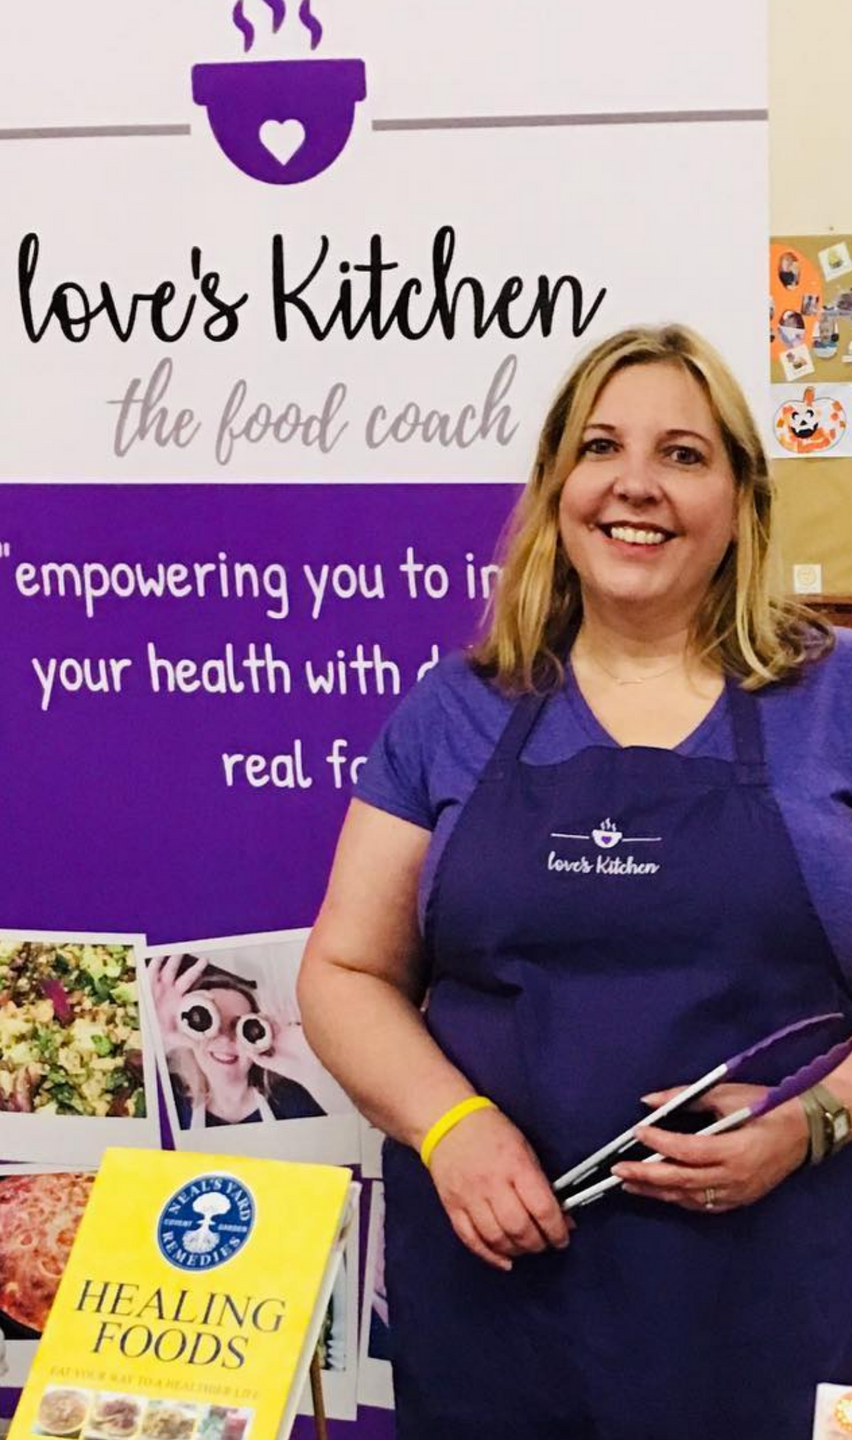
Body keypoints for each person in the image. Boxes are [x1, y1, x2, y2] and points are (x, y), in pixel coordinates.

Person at [298, 325, 852, 1440]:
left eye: (683, 454)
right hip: (501, 1300)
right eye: (601, 447)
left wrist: (819, 1120)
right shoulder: (456, 711)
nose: (635, 484)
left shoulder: (833, 702)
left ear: (742, 500)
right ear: (558, 488)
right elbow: (345, 971)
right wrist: (452, 1127)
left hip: (783, 1290)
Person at [149, 953, 325, 1127]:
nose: (225, 1039)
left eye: (241, 1027)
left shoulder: (292, 1099)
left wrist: (309, 1069)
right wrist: (155, 1035)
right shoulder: (168, 1097)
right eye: (207, 1022)